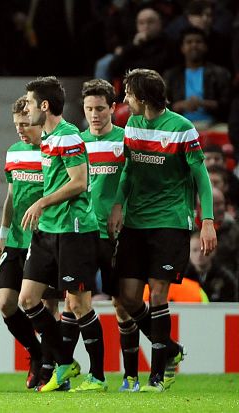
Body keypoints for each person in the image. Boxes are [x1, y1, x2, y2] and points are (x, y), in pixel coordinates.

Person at [108, 68, 217, 392]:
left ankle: (156, 373)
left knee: (157, 293)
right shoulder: (133, 125)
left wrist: (207, 221)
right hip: (136, 221)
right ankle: (171, 349)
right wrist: (118, 204)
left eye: (128, 94)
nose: (124, 99)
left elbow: (202, 178)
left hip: (170, 220)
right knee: (127, 297)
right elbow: (127, 171)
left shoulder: (182, 129)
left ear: (141, 98)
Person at [17, 76, 104, 393]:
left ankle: (97, 376)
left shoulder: (68, 137)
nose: (25, 109)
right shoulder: (47, 138)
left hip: (74, 229)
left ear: (43, 105)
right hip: (48, 230)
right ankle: (65, 360)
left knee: (79, 304)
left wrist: (42, 201)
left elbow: (79, 182)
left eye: (28, 103)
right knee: (27, 298)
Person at [78, 79, 140, 392]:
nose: (94, 114)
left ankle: (131, 376)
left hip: (120, 233)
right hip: (86, 234)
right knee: (78, 303)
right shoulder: (76, 142)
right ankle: (96, 375)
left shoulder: (126, 141)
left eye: (100, 108)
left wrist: (122, 209)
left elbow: (135, 183)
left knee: (122, 304)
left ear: (113, 108)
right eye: (89, 109)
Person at [0, 96, 55, 390]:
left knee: (46, 305)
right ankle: (37, 352)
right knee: (6, 302)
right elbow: (11, 196)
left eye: (25, 123)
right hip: (17, 239)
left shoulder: (52, 152)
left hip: (46, 239)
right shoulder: (14, 152)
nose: (20, 129)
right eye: (16, 124)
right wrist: (3, 234)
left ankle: (52, 365)